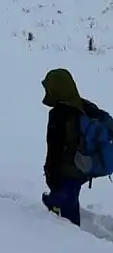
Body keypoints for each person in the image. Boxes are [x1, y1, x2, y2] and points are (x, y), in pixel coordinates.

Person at [40, 68, 111, 227]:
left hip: (69, 170)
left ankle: (73, 239)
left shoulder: (58, 116)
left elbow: (54, 150)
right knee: (67, 196)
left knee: (68, 218)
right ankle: (54, 202)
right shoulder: (85, 106)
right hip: (85, 166)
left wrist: (50, 174)